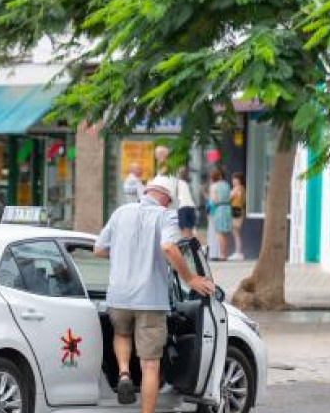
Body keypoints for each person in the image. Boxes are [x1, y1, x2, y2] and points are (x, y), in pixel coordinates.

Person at [94, 176, 215, 412]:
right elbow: (168, 247)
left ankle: (125, 373)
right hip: (150, 300)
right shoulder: (165, 215)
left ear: (147, 191)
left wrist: (123, 255)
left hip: (118, 296)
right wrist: (190, 278)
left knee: (121, 333)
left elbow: (99, 249)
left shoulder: (120, 213)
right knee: (150, 365)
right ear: (166, 198)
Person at [209, 169, 232, 260]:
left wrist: (211, 211)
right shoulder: (227, 185)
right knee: (225, 233)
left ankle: (221, 254)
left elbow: (214, 200)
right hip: (227, 208)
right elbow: (230, 197)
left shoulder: (214, 186)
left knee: (219, 233)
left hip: (218, 209)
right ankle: (225, 254)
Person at [229, 172, 246, 260]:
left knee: (235, 232)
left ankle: (238, 252)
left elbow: (229, 197)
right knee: (236, 232)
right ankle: (238, 252)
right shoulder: (242, 188)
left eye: (235, 179)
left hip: (236, 209)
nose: (233, 181)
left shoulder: (237, 188)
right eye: (233, 179)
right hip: (239, 209)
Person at [176, 166, 197, 238]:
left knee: (184, 233)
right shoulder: (187, 184)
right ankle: (194, 249)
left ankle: (186, 249)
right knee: (190, 232)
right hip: (191, 207)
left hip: (183, 208)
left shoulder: (176, 183)